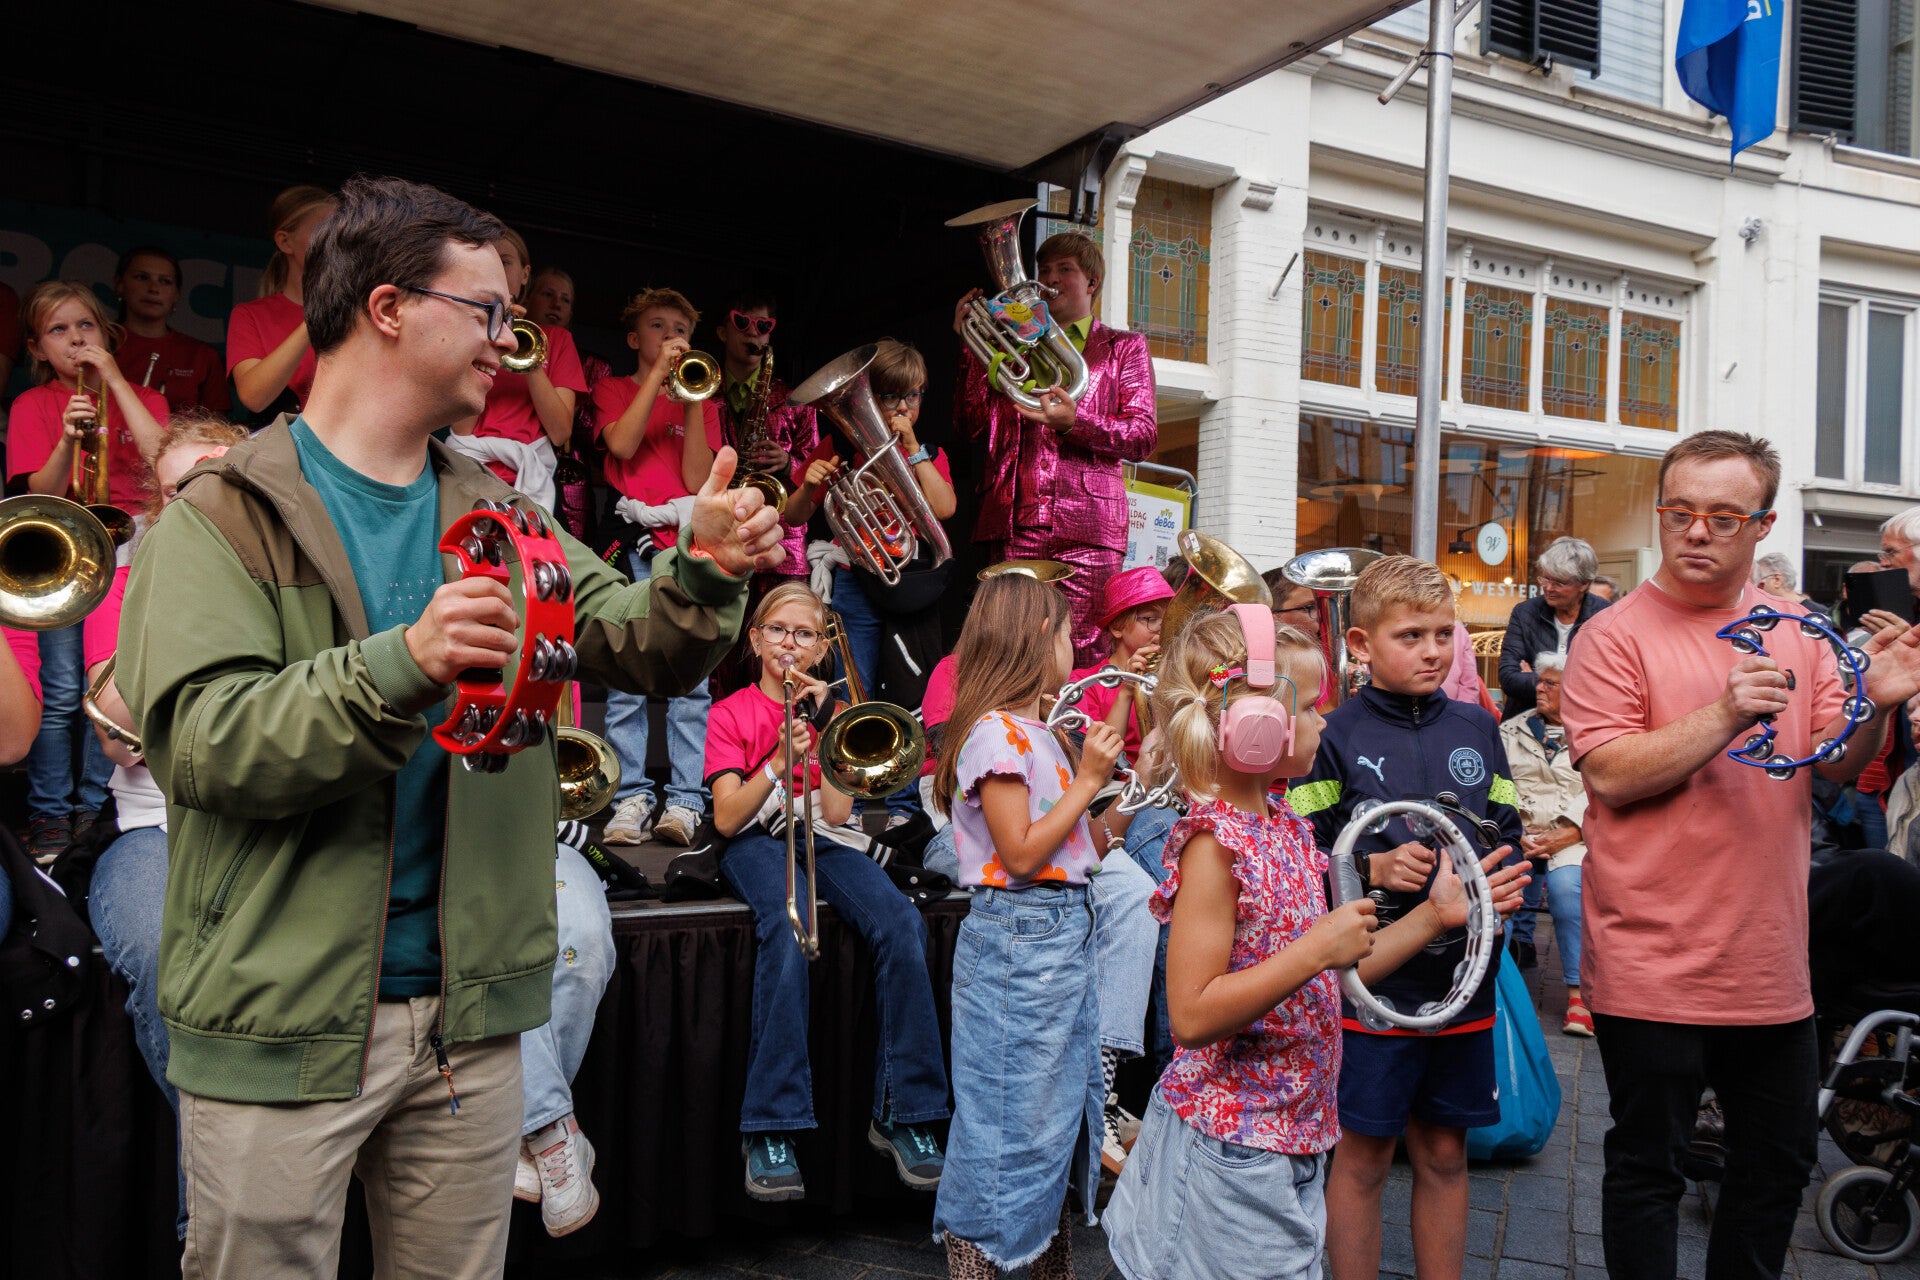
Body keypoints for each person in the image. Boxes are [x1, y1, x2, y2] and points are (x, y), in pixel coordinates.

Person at [119, 174, 783, 1279]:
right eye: (486, 311)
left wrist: (704, 565)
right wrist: (406, 663)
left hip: (471, 1027)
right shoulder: (223, 514)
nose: (509, 341)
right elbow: (204, 745)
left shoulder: (504, 510)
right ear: (386, 308)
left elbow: (638, 640)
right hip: (282, 1018)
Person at [1560, 430, 1920, 1280]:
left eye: (1723, 517)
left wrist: (1874, 705)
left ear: (1762, 526)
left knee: (1778, 1165)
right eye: (1680, 511)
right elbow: (1610, 774)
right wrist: (1724, 713)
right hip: (1652, 960)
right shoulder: (1612, 635)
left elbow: (1835, 766)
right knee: (1650, 1167)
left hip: (1768, 961)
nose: (1696, 531)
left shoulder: (1799, 630)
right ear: (1661, 512)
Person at [1103, 609, 1527, 1280]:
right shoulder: (1215, 846)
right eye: (1309, 708)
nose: (1324, 723)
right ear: (1255, 724)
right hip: (1231, 1148)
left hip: (1294, 1137)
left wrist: (1433, 917)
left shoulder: (1287, 829)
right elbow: (1191, 1014)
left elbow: (1336, 975)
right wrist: (1315, 950)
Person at [1290, 555, 1525, 1280]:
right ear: (1361, 644)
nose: (1433, 651)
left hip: (1463, 978)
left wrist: (1504, 879)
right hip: (1372, 984)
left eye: (1444, 634)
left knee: (1446, 1152)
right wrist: (1372, 867)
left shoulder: (1479, 727)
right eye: (1411, 636)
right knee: (1363, 1155)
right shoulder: (1333, 734)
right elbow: (1302, 853)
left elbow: (1509, 827)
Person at [704, 581, 949, 1201]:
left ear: (820, 650)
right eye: (778, 630)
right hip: (755, 839)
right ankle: (771, 1125)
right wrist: (777, 763)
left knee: (901, 922)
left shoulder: (831, 713)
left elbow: (838, 814)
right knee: (790, 928)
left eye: (805, 634)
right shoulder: (730, 711)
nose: (790, 643)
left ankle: (904, 1111)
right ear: (755, 639)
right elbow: (727, 819)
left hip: (821, 832)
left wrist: (826, 726)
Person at [73, 410, 245, 1242]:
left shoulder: (290, 578)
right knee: (156, 956)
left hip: (262, 836)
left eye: (219, 481)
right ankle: (213, 1208)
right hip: (155, 833)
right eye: (181, 490)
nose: (199, 501)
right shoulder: (124, 585)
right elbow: (122, 739)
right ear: (156, 505)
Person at [931, 572, 1122, 1279]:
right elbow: (1020, 854)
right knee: (1010, 1112)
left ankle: (1038, 1254)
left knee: (1052, 1108)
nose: (1076, 649)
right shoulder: (994, 735)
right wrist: (1089, 780)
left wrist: (1122, 796)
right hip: (1022, 938)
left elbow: (1076, 848)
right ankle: (981, 1258)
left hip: (1055, 933)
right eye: (1069, 634)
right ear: (1040, 638)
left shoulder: (1037, 735)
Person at [7, 280, 168, 862]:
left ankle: (98, 807)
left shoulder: (143, 397)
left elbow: (163, 461)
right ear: (36, 347)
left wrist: (116, 382)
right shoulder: (33, 404)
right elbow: (38, 491)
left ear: (108, 333)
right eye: (58, 330)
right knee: (59, 690)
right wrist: (66, 440)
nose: (75, 339)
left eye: (86, 326)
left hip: (132, 541)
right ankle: (51, 813)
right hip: (62, 545)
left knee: (109, 686)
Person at [953, 230, 1157, 665]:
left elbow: (1142, 435)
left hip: (1090, 524)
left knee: (1085, 646)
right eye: (1044, 270)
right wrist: (972, 348)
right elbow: (969, 425)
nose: (1050, 279)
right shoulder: (1006, 343)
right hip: (1014, 517)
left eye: (1065, 270)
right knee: (1011, 647)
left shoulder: (1124, 347)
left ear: (1092, 282)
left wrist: (1076, 423)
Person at [783, 338, 955, 824]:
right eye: (890, 396)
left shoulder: (928, 452)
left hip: (909, 586)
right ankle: (851, 803)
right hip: (855, 583)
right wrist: (809, 485)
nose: (902, 408)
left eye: (913, 396)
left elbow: (944, 508)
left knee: (910, 690)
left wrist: (913, 451)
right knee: (850, 688)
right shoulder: (840, 447)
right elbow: (793, 516)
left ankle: (904, 806)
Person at [592, 287, 724, 848]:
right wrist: (657, 379)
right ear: (633, 338)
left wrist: (691, 398)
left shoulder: (705, 401)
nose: (672, 337)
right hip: (634, 544)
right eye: (658, 327)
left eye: (681, 329)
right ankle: (631, 798)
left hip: (688, 547)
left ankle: (686, 800)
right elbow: (621, 446)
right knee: (628, 681)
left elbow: (696, 480)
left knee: (690, 683)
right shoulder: (613, 388)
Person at [1497, 651, 1592, 1035]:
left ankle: (1578, 997)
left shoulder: (1593, 731)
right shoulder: (1510, 731)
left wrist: (1572, 830)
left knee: (1567, 890)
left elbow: (1599, 787)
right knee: (1500, 890)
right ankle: (1493, 991)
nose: (1540, 688)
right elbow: (1498, 784)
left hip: (1572, 835)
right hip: (1518, 832)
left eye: (1550, 683)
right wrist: (1513, 827)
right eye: (1540, 680)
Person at [457, 228, 588, 494]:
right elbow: (461, 428)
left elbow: (560, 432)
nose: (496, 268)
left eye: (504, 261)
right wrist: (487, 337)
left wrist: (527, 352)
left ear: (525, 274)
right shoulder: (469, 329)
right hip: (471, 469)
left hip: (528, 478)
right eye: (488, 259)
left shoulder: (558, 340)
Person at [713, 293, 820, 606]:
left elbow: (817, 469)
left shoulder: (796, 401)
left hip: (783, 546)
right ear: (722, 332)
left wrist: (788, 463)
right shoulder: (701, 394)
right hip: (722, 538)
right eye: (741, 322)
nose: (753, 331)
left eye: (763, 325)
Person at [227, 185, 336, 423]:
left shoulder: (359, 311)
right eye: (324, 231)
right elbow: (254, 397)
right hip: (284, 441)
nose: (336, 241)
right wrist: (315, 316)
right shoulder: (250, 315)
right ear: (285, 242)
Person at [1498, 535, 1608, 720]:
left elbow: (1605, 683)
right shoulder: (1525, 613)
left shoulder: (1605, 617)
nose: (1548, 588)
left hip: (1583, 723)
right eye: (1545, 579)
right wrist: (1568, 683)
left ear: (1584, 584)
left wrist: (1539, 679)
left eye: (1559, 582)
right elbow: (1509, 678)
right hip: (1525, 724)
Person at [111, 246, 230, 416]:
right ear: (119, 284)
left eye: (165, 281)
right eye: (142, 277)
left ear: (176, 294)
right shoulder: (100, 343)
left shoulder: (202, 355)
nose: (153, 288)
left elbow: (217, 424)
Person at [1755, 552, 1822, 615]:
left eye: (1760, 584)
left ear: (1777, 580)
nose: (1755, 589)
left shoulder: (1817, 614)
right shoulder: (1763, 614)